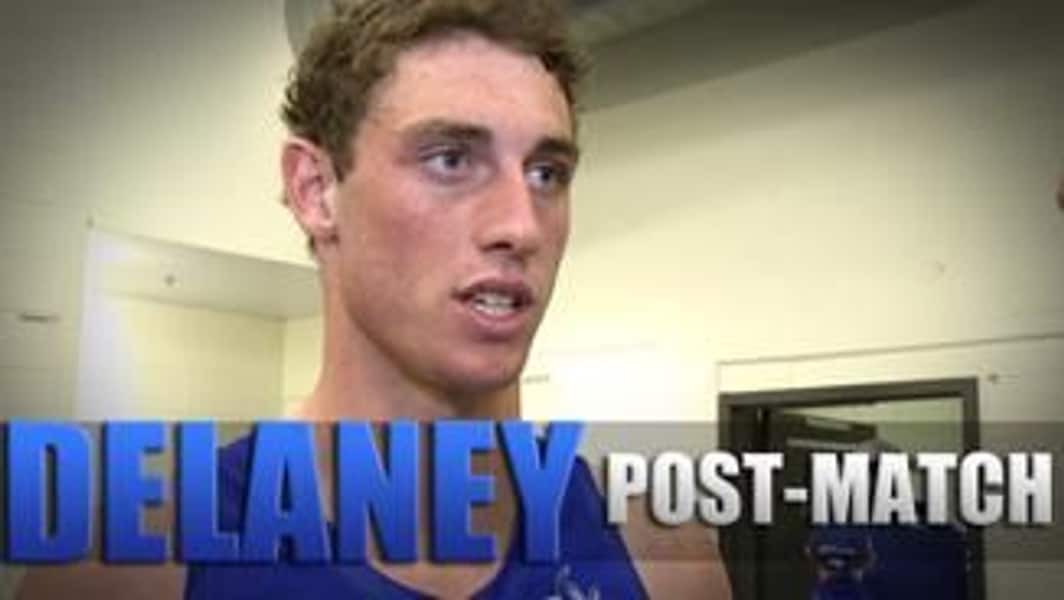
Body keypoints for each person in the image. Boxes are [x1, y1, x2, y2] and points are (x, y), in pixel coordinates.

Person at [18, 1, 732, 597]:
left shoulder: (661, 555)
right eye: (451, 159)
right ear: (315, 191)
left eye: (547, 173)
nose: (521, 225)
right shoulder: (134, 565)